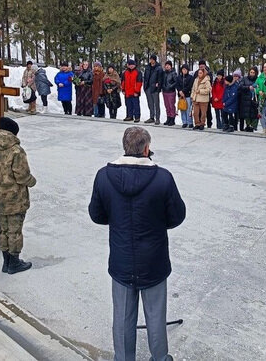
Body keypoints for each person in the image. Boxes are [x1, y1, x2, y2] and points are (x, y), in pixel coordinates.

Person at [88, 127, 186, 361]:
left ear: (125, 147)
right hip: (154, 260)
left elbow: (97, 214)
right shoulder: (162, 177)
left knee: (122, 317)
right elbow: (177, 216)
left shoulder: (104, 176)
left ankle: (123, 358)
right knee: (155, 315)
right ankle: (160, 357)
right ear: (146, 149)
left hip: (122, 258)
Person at [0, 117, 36, 274]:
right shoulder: (16, 151)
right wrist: (32, 181)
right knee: (15, 230)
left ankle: (6, 261)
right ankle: (14, 262)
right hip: (15, 198)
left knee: (3, 228)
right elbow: (22, 176)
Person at [143, 54, 164, 125]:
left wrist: (158, 88)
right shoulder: (147, 67)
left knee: (156, 104)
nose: (151, 60)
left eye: (152, 59)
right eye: (150, 59)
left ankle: (157, 118)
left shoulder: (158, 68)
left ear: (155, 60)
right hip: (148, 87)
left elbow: (160, 79)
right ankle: (151, 117)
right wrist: (145, 86)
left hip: (155, 88)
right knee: (150, 103)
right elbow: (145, 77)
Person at [190, 65, 211, 130]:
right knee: (195, 113)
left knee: (203, 113)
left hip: (203, 99)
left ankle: (202, 124)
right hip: (196, 99)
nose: (199, 74)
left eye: (201, 73)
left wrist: (200, 91)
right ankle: (197, 123)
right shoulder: (196, 80)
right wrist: (192, 96)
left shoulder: (207, 80)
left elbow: (208, 90)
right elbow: (193, 88)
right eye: (199, 73)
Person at [238, 67, 259, 132]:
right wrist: (248, 88)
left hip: (253, 100)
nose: (252, 74)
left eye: (253, 73)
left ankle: (251, 127)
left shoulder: (257, 80)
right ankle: (244, 127)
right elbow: (241, 86)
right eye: (251, 72)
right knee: (244, 114)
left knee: (252, 114)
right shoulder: (244, 79)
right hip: (245, 100)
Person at [255, 62, 266, 134]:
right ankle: (264, 128)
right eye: (264, 67)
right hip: (261, 98)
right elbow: (256, 85)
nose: (264, 69)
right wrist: (259, 91)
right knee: (261, 114)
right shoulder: (260, 76)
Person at [177, 64, 194, 129]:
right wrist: (180, 91)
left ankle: (190, 122)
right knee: (182, 108)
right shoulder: (179, 77)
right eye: (183, 69)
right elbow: (177, 85)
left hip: (187, 95)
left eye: (185, 69)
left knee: (188, 109)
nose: (184, 70)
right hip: (180, 95)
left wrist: (183, 91)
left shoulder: (190, 77)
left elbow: (189, 86)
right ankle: (184, 122)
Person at [161, 60, 178, 126]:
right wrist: (162, 86)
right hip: (165, 91)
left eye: (168, 65)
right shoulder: (164, 73)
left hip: (171, 91)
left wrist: (170, 86)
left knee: (171, 105)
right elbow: (162, 81)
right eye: (166, 65)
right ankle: (168, 117)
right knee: (167, 105)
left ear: (171, 66)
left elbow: (176, 82)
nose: (167, 66)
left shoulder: (173, 73)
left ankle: (172, 118)